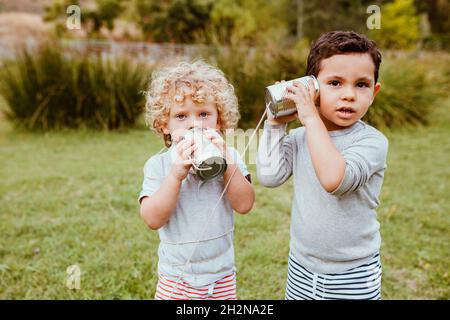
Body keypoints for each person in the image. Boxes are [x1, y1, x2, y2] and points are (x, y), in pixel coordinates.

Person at [257, 31, 388, 300]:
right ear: (312, 88)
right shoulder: (301, 136)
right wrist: (275, 125)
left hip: (353, 272)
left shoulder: (372, 142)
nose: (349, 95)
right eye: (335, 83)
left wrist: (310, 118)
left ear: (374, 92)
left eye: (361, 85)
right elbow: (270, 176)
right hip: (302, 267)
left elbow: (334, 180)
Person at [139, 60, 255, 300]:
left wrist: (226, 164)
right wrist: (175, 176)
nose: (194, 124)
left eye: (204, 114)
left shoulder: (229, 157)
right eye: (181, 116)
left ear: (219, 121)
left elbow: (244, 205)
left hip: (221, 276)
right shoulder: (159, 165)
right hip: (176, 279)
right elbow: (152, 219)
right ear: (165, 125)